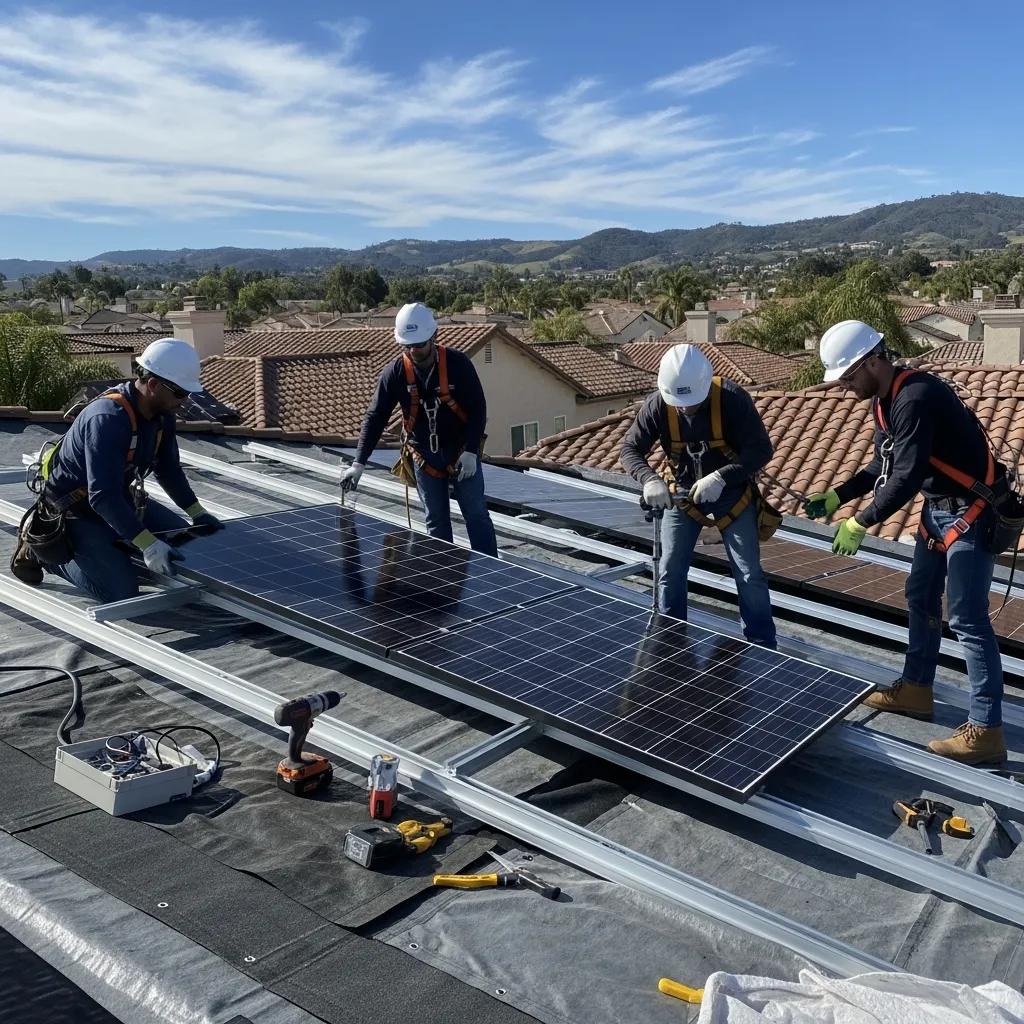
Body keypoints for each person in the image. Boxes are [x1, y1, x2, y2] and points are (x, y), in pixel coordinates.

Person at [806, 319, 1006, 763]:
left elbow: (907, 475)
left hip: (970, 512)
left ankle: (987, 729)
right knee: (920, 595)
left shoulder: (915, 397)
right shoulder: (884, 401)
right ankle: (916, 688)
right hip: (939, 511)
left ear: (872, 362)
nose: (844, 387)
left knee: (968, 618)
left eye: (848, 377)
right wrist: (838, 494)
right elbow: (883, 466)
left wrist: (860, 521)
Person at [9, 338, 223, 603]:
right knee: (121, 591)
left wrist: (197, 513)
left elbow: (168, 469)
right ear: (153, 385)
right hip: (74, 509)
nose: (185, 400)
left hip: (116, 497)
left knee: (191, 550)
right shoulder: (108, 419)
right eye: (180, 393)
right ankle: (43, 554)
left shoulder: (162, 415)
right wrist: (148, 544)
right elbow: (102, 496)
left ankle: (113, 547)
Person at [620, 344, 776, 647]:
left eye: (690, 403)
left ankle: (762, 644)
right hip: (681, 494)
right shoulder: (659, 404)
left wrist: (722, 476)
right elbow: (630, 449)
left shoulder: (731, 398)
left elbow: (761, 450)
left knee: (749, 574)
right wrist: (649, 480)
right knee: (670, 570)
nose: (684, 408)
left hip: (732, 493)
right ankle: (670, 642)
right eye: (678, 403)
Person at [342, 303, 498, 556]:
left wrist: (471, 450)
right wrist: (358, 463)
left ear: (434, 336)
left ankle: (488, 568)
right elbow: (376, 416)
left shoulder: (457, 364)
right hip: (424, 456)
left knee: (476, 514)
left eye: (419, 345)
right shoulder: (395, 372)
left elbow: (478, 408)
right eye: (408, 346)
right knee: (435, 520)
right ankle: (444, 573)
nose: (414, 351)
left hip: (460, 453)